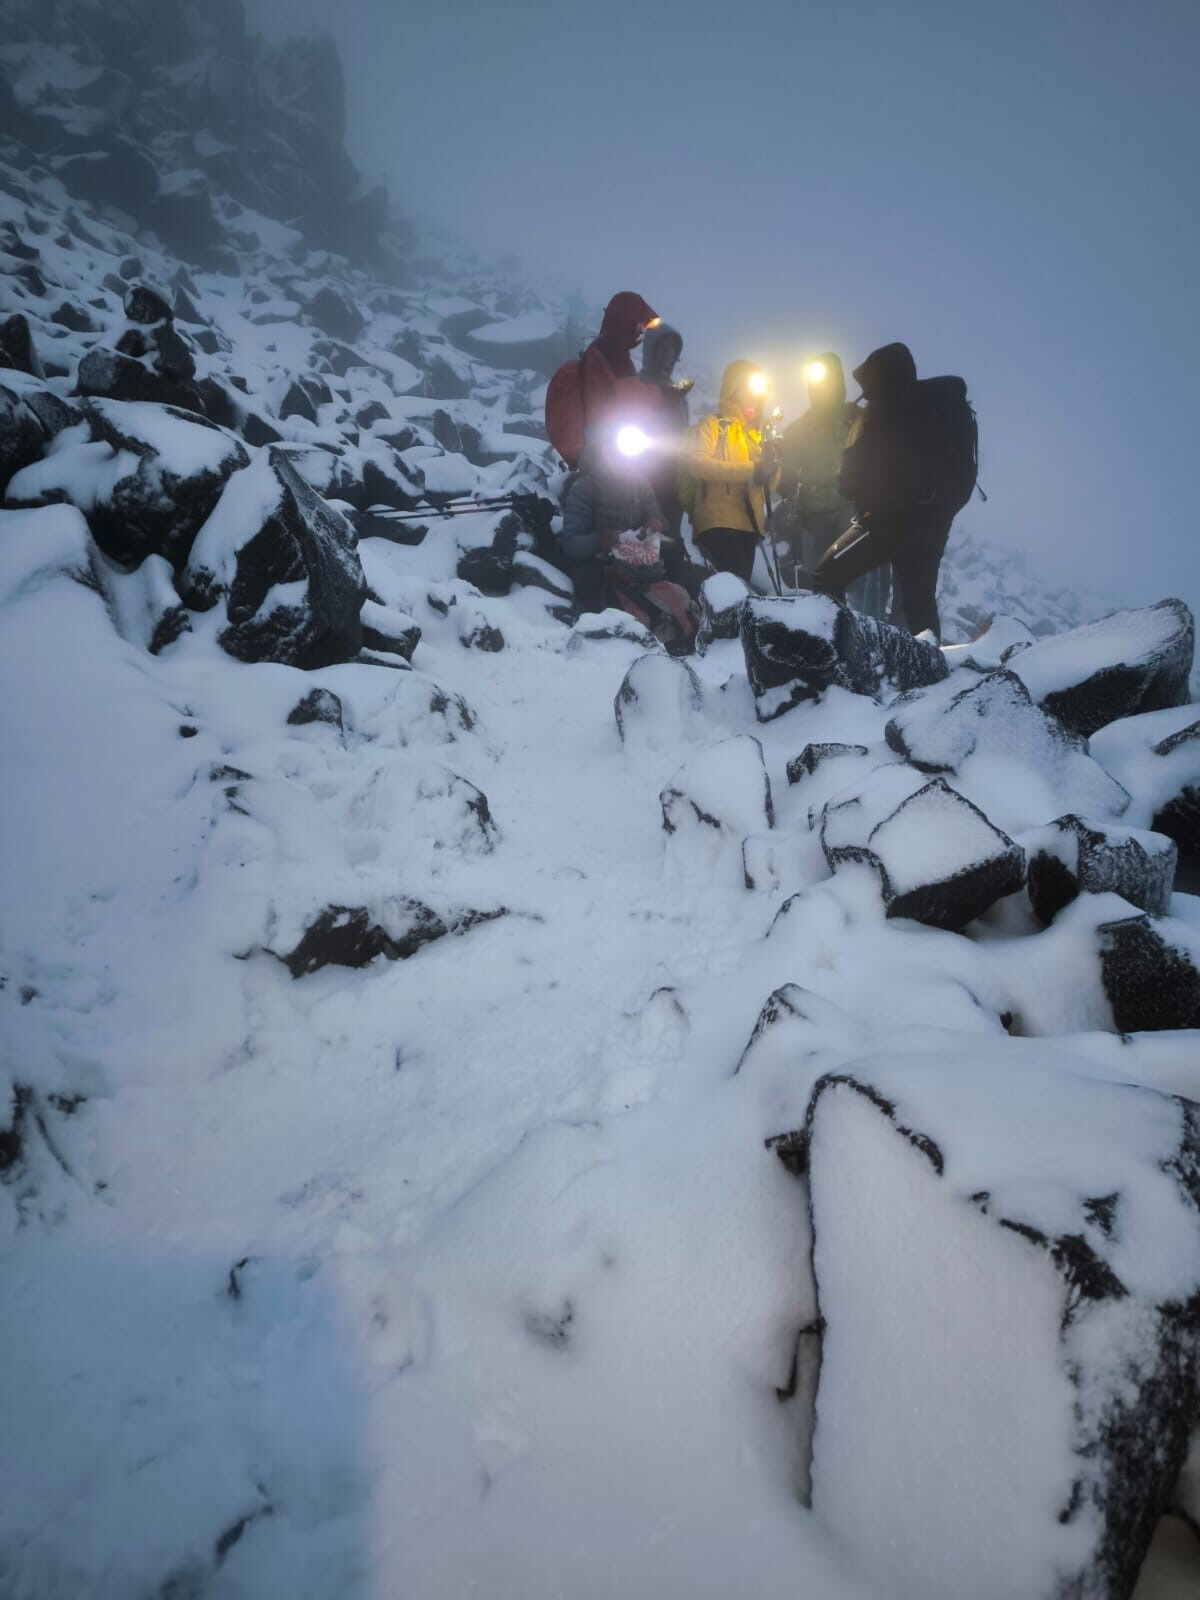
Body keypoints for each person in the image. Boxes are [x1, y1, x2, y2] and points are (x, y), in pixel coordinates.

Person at [810, 342, 974, 641]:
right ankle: (930, 671)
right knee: (919, 601)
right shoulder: (940, 404)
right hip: (936, 522)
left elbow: (850, 481)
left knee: (825, 576)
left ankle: (836, 659)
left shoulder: (882, 411)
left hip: (886, 522)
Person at [778, 353, 889, 619]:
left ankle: (866, 632)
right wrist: (785, 481)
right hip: (814, 513)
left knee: (855, 573)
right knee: (824, 580)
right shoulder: (801, 428)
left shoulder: (858, 417)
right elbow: (789, 470)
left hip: (851, 507)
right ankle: (835, 636)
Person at [686, 359, 780, 585]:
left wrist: (773, 464)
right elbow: (697, 464)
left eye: (757, 396)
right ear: (733, 391)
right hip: (717, 523)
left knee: (739, 591)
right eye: (748, 393)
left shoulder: (756, 436)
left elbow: (769, 486)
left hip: (748, 526)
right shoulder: (713, 425)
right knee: (736, 589)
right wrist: (750, 470)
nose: (754, 400)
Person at [557, 435, 664, 614]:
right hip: (597, 560)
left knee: (675, 556)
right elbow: (570, 543)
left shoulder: (641, 483)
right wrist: (600, 540)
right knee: (588, 579)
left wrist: (655, 523)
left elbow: (655, 514)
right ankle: (600, 628)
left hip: (635, 555)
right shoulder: (585, 486)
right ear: (605, 454)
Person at [579, 290, 660, 448]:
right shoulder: (612, 349)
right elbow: (632, 396)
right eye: (640, 323)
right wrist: (664, 393)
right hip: (607, 445)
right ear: (628, 320)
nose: (641, 331)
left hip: (598, 440)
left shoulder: (601, 346)